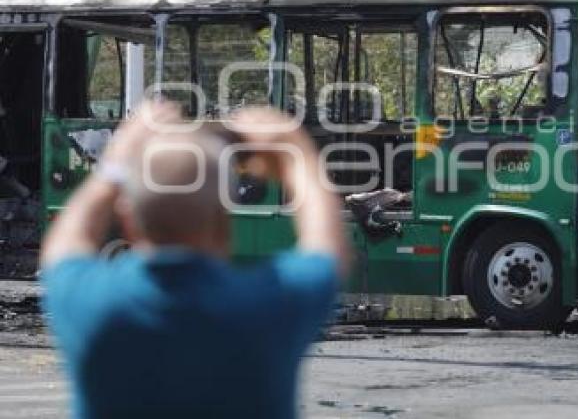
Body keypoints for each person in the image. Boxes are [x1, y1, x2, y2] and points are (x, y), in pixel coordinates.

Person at [40, 101, 349, 419]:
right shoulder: (270, 304)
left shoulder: (88, 303)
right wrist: (295, 154)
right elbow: (326, 248)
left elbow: (67, 240)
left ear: (129, 220)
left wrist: (115, 163)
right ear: (225, 221)